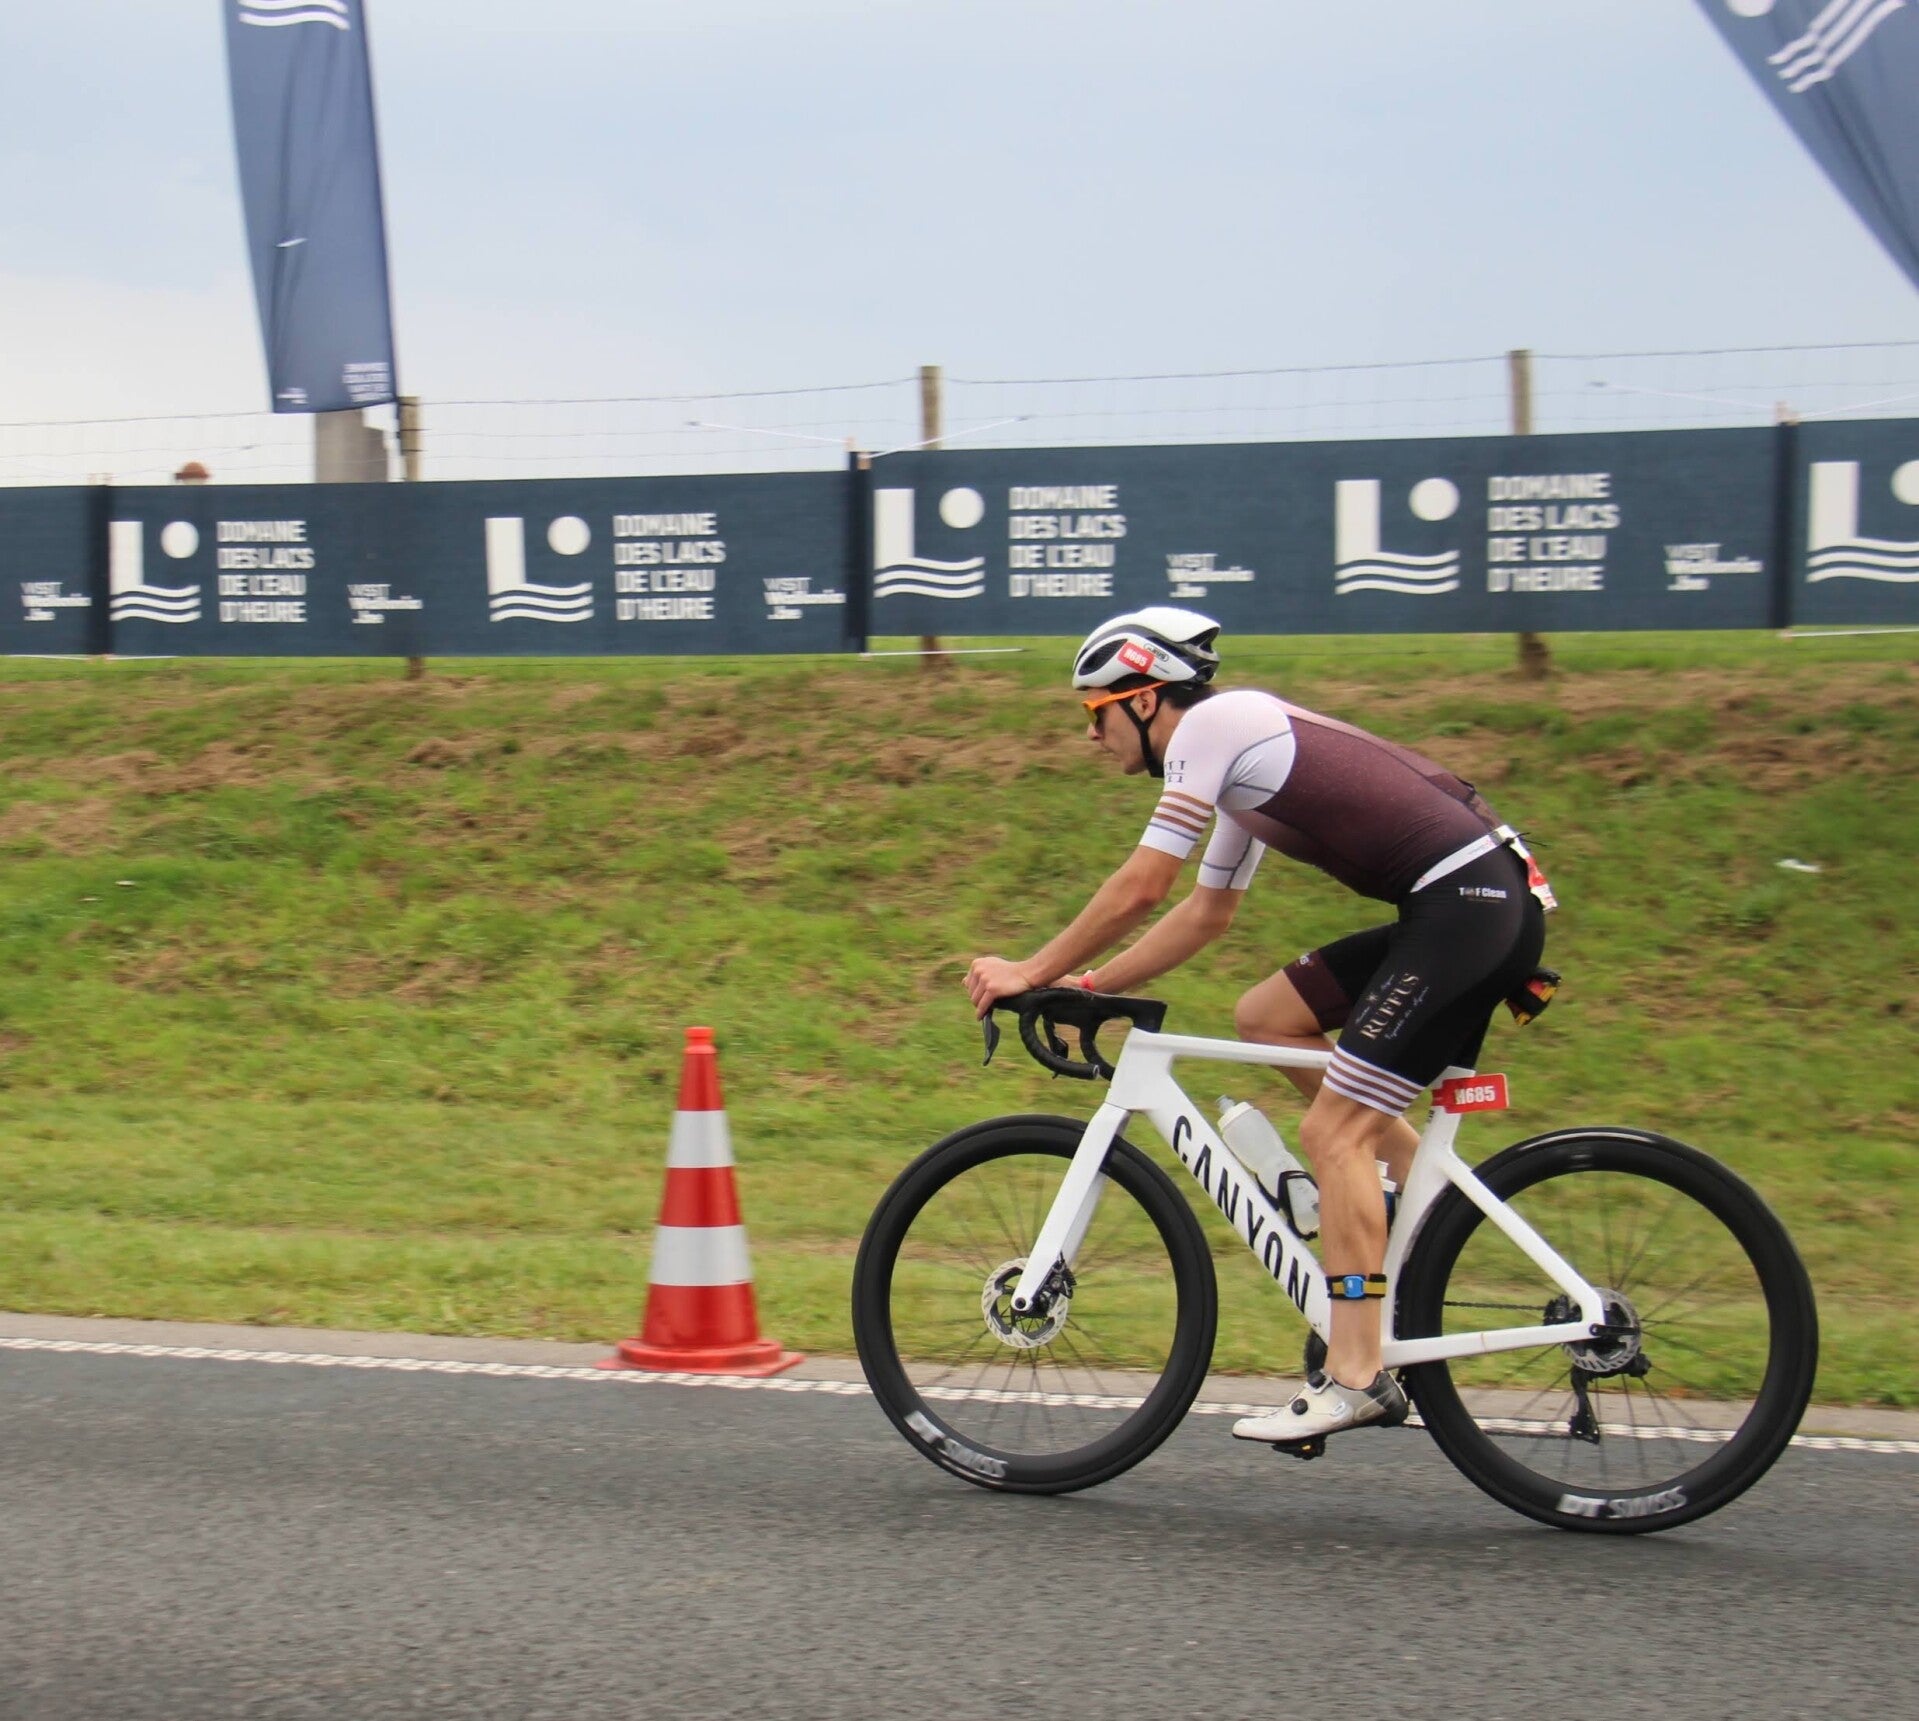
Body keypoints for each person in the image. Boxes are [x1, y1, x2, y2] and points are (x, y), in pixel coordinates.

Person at [964, 607, 1553, 1445]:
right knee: (1267, 1017)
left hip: (1467, 907)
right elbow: (1205, 916)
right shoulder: (1239, 763)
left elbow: (1142, 886)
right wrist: (1088, 984)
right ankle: (1408, 1198)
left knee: (1331, 1134)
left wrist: (1029, 969)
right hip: (1467, 902)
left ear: (1142, 699)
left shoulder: (1211, 726)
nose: (1090, 736)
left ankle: (1354, 1375)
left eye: (1094, 713)